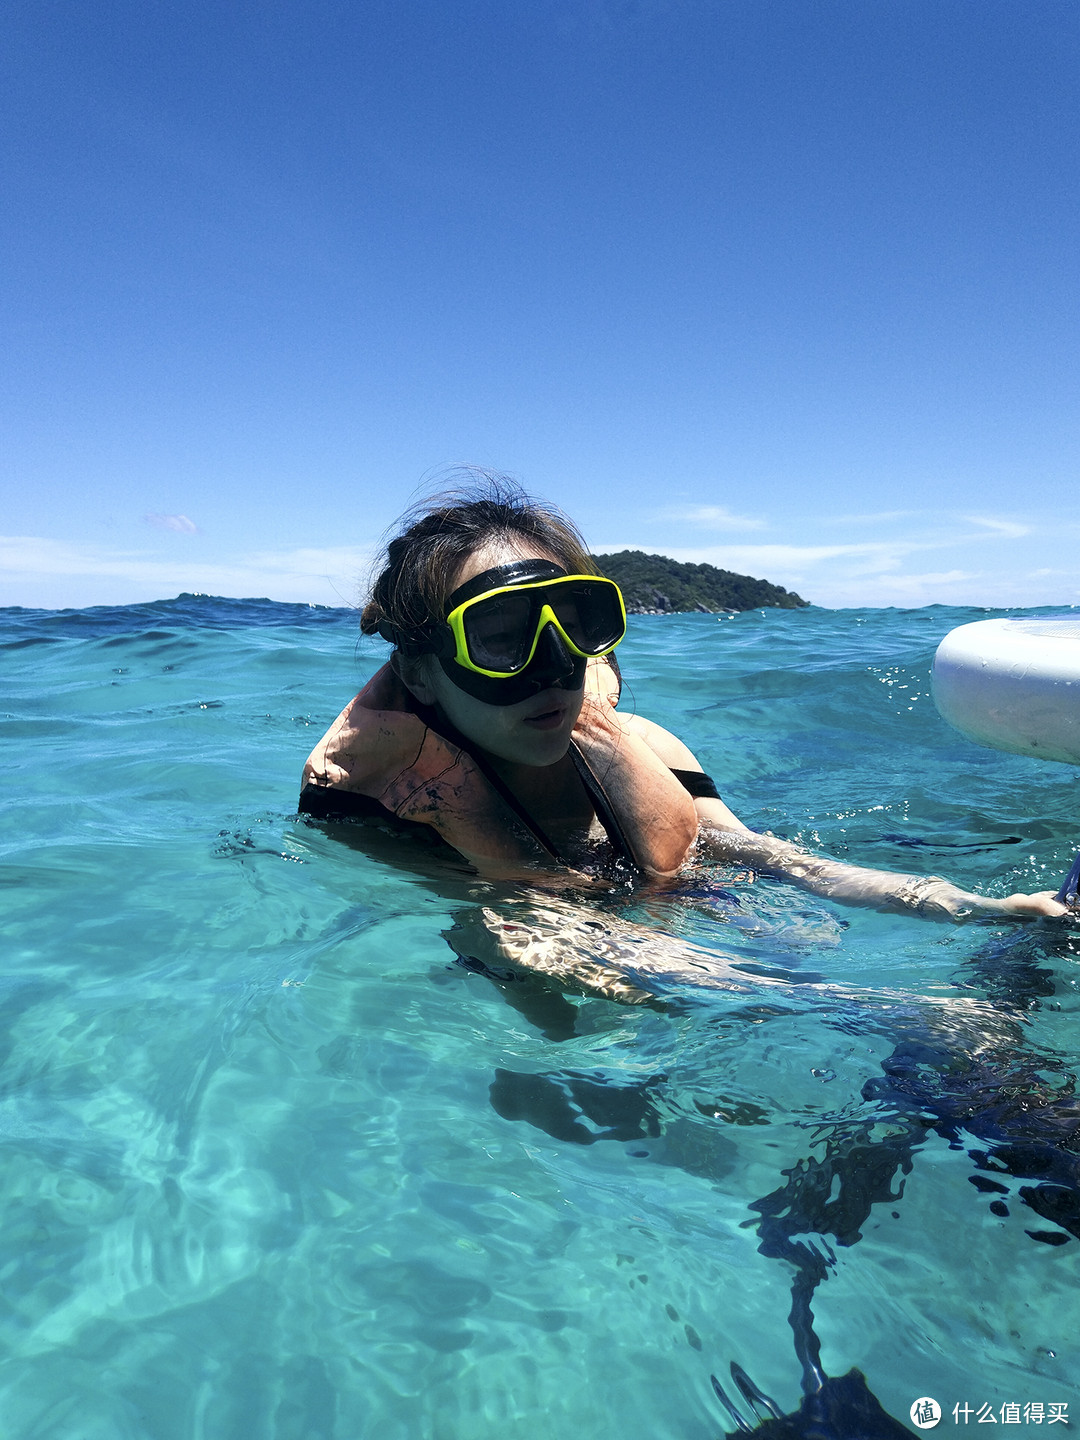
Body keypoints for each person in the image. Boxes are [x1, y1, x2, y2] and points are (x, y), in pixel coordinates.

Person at [300, 480, 1068, 929]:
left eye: (576, 628)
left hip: (688, 913)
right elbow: (529, 947)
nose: (555, 671)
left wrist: (959, 903)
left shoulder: (646, 747)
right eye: (501, 640)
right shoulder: (379, 813)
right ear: (422, 673)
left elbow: (775, 859)